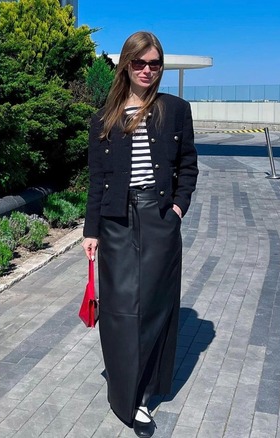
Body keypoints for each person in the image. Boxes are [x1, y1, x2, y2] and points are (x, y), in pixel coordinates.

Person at [81, 31, 198, 437]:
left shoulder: (176, 110)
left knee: (153, 307)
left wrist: (177, 209)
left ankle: (142, 396)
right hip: (115, 221)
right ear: (126, 66)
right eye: (139, 63)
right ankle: (122, 389)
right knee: (117, 310)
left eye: (154, 63)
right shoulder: (104, 118)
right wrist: (90, 231)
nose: (147, 70)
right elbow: (97, 180)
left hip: (159, 218)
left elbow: (189, 165)